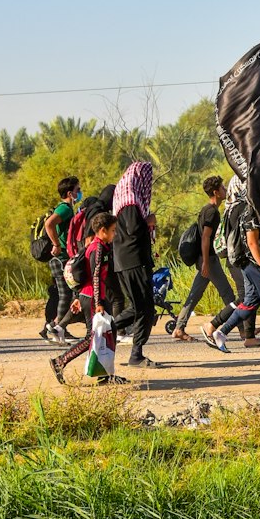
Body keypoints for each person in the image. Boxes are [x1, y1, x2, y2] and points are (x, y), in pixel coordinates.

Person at [204, 185, 260, 354]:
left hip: (246, 263)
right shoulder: (252, 212)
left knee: (250, 302)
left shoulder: (245, 210)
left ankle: (221, 333)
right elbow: (251, 242)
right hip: (256, 263)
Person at [49, 211, 133, 384]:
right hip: (94, 298)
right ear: (102, 231)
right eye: (113, 230)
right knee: (92, 337)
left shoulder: (95, 246)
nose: (114, 234)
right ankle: (60, 362)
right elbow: (95, 276)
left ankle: (105, 374)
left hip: (92, 296)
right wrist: (99, 302)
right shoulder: (98, 248)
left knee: (108, 333)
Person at [172, 175, 239, 341]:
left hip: (206, 259)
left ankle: (179, 328)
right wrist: (206, 263)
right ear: (216, 192)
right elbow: (205, 237)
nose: (225, 190)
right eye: (223, 188)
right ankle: (245, 330)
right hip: (208, 259)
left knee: (195, 294)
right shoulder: (211, 212)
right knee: (228, 295)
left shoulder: (208, 210)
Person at [112, 160, 159, 368]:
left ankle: (109, 331)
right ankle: (134, 353)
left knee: (141, 307)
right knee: (144, 308)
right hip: (134, 260)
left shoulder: (123, 198)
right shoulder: (131, 200)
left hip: (125, 260)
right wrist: (148, 221)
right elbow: (133, 228)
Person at [42, 175, 81, 343]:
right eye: (77, 190)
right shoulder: (65, 208)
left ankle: (56, 327)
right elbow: (49, 224)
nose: (79, 193)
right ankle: (56, 327)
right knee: (67, 294)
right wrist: (56, 244)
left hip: (65, 256)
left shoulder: (66, 209)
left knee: (68, 293)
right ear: (70, 193)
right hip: (61, 257)